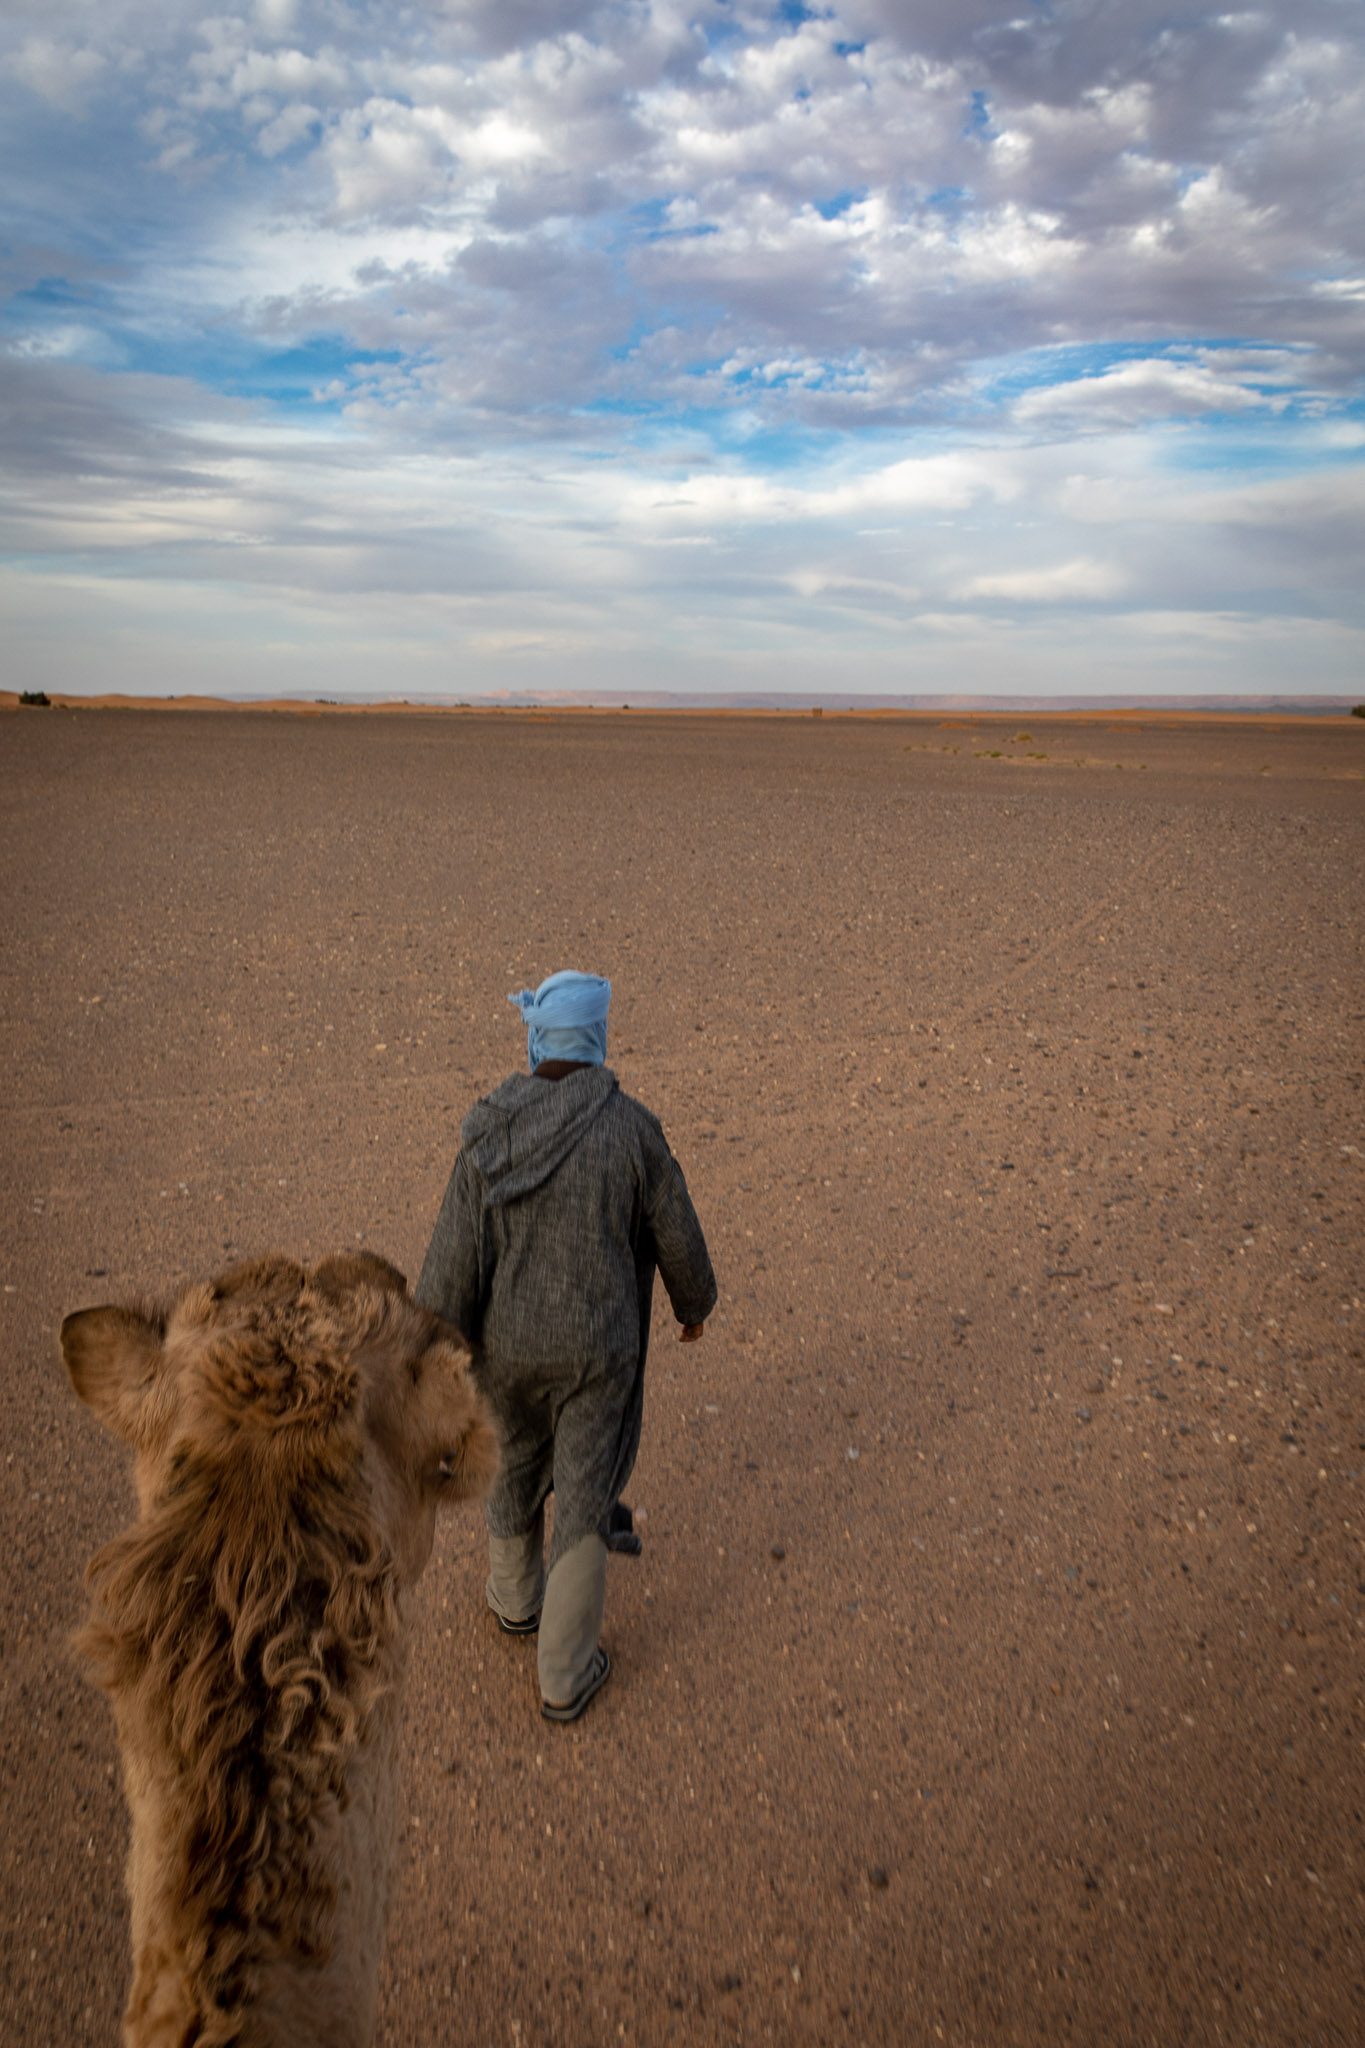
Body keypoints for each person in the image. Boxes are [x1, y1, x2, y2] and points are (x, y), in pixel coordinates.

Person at [416, 970, 717, 1722]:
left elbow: (452, 1265)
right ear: (596, 1037)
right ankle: (564, 1674)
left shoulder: (488, 1133)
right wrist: (693, 1305)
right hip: (597, 1357)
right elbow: (675, 1230)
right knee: (583, 1496)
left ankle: (516, 1603)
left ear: (536, 1038)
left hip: (505, 1353)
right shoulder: (631, 1130)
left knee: (512, 1469)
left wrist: (427, 1354)